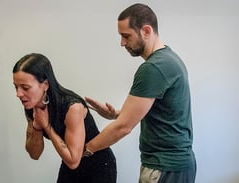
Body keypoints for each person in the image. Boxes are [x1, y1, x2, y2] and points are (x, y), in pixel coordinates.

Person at [84, 3, 196, 183]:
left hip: (164, 167)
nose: (122, 43)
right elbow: (160, 111)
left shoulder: (153, 68)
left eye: (126, 36)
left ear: (146, 30)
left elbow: (123, 128)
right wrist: (117, 114)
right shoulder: (169, 59)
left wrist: (85, 150)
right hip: (176, 165)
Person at [12, 53, 117, 183]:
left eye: (25, 88)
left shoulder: (72, 107)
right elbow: (34, 154)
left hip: (98, 166)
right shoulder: (31, 105)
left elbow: (74, 160)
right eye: (16, 87)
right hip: (69, 164)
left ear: (45, 84)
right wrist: (37, 126)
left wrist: (47, 126)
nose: (19, 94)